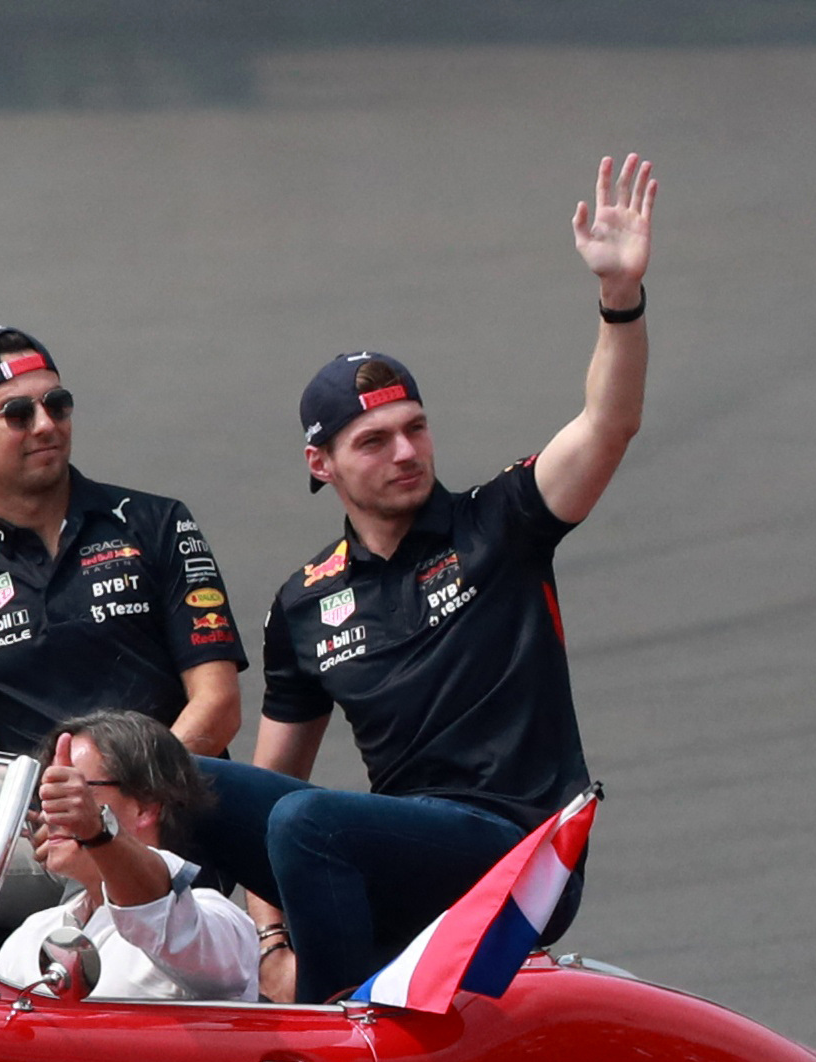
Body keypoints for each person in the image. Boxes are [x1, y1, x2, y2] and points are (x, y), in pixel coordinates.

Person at [194, 154, 657, 1003]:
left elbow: (609, 421)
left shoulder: (501, 522)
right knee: (178, 776)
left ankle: (333, 1026)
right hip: (400, 845)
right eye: (373, 441)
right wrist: (265, 935)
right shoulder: (303, 601)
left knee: (306, 822)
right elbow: (270, 787)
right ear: (320, 463)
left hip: (516, 851)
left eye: (414, 428)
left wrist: (618, 298)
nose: (405, 451)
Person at [0, 325, 248, 816]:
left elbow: (219, 704)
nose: (45, 425)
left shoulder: (156, 523)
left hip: (166, 818)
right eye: (17, 413)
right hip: (43, 838)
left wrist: (129, 798)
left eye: (56, 404)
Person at [0, 712, 257, 1003]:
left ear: (145, 806)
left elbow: (159, 915)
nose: (50, 812)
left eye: (74, 791)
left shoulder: (219, 922)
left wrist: (97, 830)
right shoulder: (30, 935)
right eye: (48, 793)